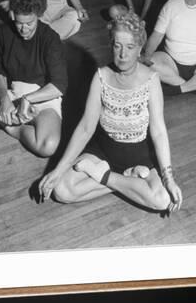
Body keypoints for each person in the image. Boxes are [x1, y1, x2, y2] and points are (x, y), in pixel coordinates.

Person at [38, 12, 182, 214]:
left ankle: (105, 177)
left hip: (139, 153)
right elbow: (86, 127)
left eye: (130, 47)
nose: (123, 54)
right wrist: (58, 170)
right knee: (61, 190)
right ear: (111, 45)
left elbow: (158, 130)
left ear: (140, 48)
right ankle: (128, 181)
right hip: (104, 150)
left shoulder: (151, 79)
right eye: (117, 45)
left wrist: (169, 178)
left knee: (162, 200)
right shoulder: (101, 76)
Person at [0, 0, 67, 157]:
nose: (23, 29)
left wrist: (27, 99)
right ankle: (13, 121)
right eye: (19, 23)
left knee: (47, 146)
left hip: (43, 98)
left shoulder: (50, 39)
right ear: (13, 16)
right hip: (13, 93)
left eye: (29, 23)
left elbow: (59, 86)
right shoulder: (4, 33)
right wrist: (4, 100)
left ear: (38, 15)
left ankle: (13, 127)